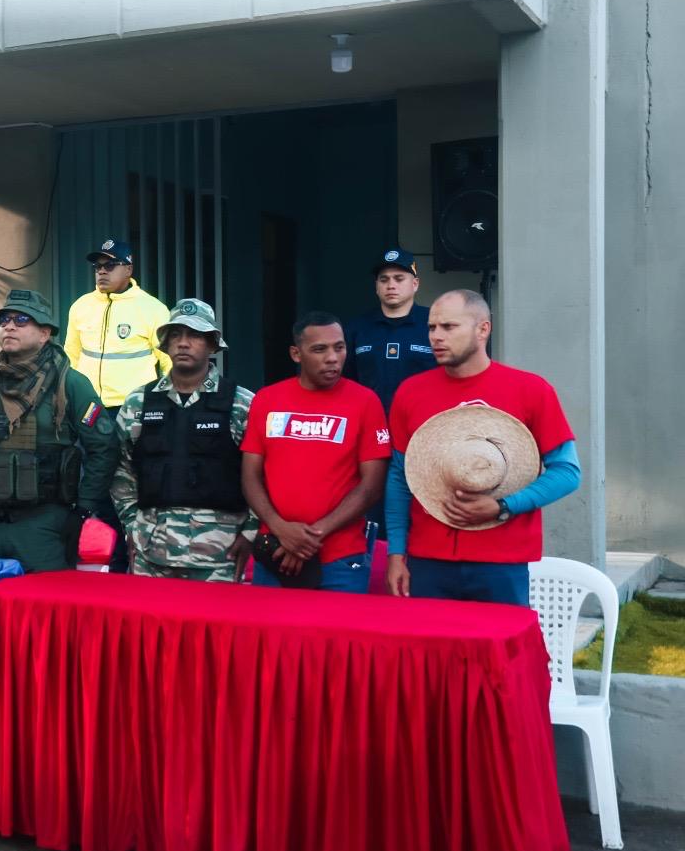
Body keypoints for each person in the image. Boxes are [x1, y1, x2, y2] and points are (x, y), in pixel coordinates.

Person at [385, 290, 580, 606]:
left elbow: (568, 472)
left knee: (502, 641)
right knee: (430, 640)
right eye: (432, 327)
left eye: (449, 327)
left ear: (483, 329)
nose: (436, 336)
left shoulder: (531, 390)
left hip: (502, 560)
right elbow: (399, 476)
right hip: (427, 557)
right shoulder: (410, 392)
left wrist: (504, 505)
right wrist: (396, 552)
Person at [0, 289, 116, 572]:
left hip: (44, 523)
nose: (9, 326)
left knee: (46, 598)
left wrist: (84, 507)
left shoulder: (69, 383)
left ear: (44, 333)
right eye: (4, 320)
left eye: (21, 320)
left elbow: (104, 447)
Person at [240, 312, 390, 593]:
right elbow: (250, 476)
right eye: (320, 349)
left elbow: (372, 486)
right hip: (275, 551)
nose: (332, 358)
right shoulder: (267, 399)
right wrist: (281, 529)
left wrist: (308, 537)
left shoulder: (365, 402)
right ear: (296, 354)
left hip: (340, 560)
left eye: (339, 347)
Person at [111, 299, 257, 581]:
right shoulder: (138, 402)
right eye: (175, 335)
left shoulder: (241, 403)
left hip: (220, 554)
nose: (183, 343)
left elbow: (262, 473)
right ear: (165, 344)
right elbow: (121, 469)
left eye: (195, 335)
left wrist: (250, 532)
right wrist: (132, 526)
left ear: (212, 345)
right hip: (151, 551)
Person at [63, 238, 171, 572]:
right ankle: (113, 556)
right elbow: (70, 358)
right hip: (89, 412)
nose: (102, 272)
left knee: (133, 485)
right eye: (98, 266)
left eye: (109, 265)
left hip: (132, 411)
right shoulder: (81, 306)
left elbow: (167, 364)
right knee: (95, 486)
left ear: (129, 268)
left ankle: (138, 555)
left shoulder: (152, 309)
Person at [343, 247, 436, 414]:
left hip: (421, 421)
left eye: (399, 279)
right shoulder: (357, 328)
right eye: (384, 280)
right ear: (376, 286)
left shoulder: (434, 324)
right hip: (370, 421)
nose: (391, 285)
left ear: (415, 284)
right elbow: (346, 382)